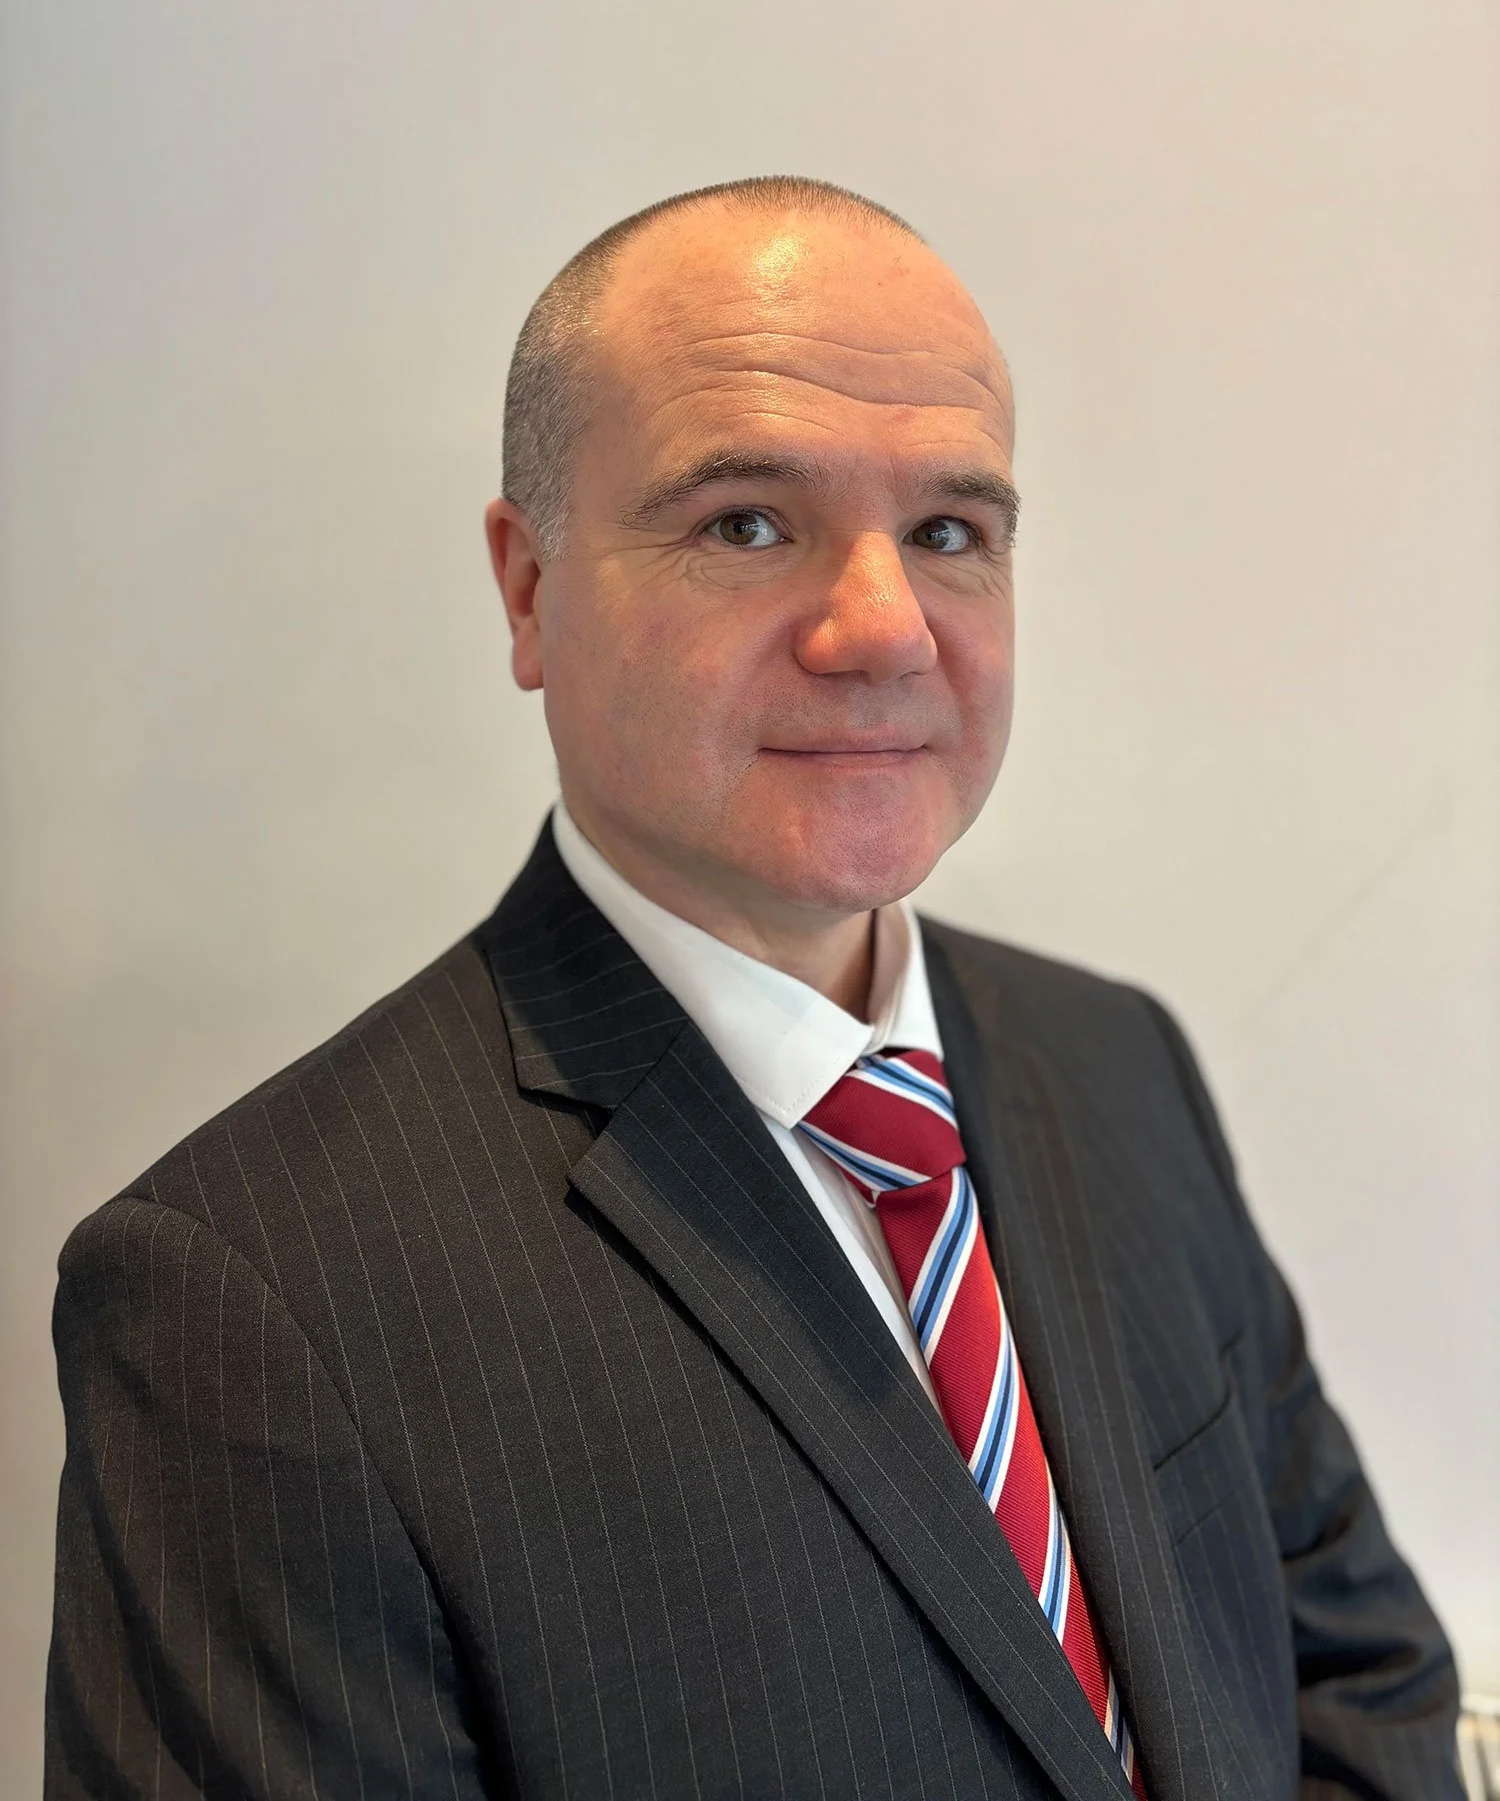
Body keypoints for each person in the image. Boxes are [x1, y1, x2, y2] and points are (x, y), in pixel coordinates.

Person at [46, 177, 1462, 1801]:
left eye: (949, 532)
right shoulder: (252, 1301)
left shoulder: (1117, 1065)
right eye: (746, 523)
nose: (883, 628)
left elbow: (1361, 1678)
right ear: (527, 589)